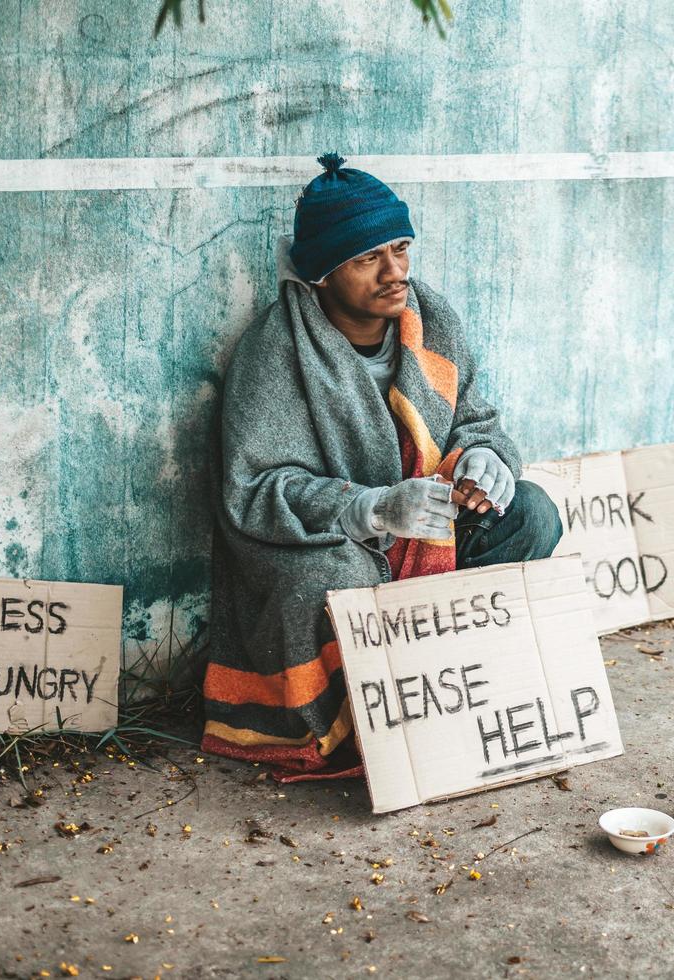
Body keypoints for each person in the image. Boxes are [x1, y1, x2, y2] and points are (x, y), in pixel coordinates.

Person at [201, 153, 563, 779]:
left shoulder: (432, 319)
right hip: (324, 542)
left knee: (531, 513)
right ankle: (370, 727)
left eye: (401, 248)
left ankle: (456, 689)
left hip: (427, 533)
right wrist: (368, 509)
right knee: (342, 570)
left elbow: (477, 420)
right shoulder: (275, 351)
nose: (395, 272)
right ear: (322, 274)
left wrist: (486, 459)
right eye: (369, 258)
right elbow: (254, 491)